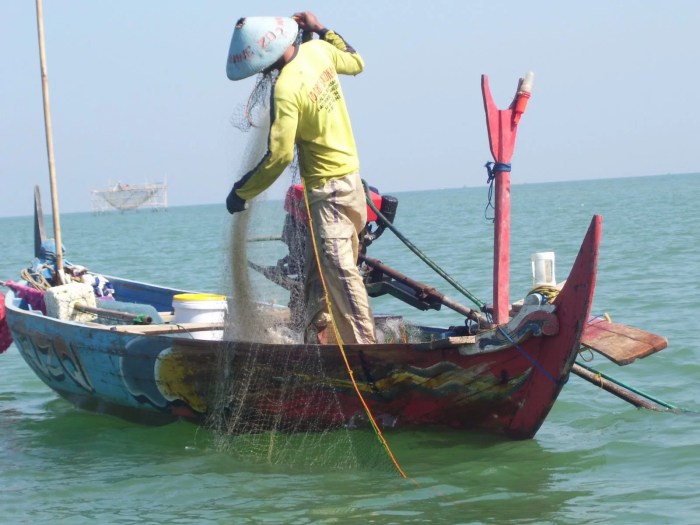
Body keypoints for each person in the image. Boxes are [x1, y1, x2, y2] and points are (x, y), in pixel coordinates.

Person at [225, 12, 376, 345]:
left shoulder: (285, 89)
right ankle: (317, 342)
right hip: (352, 186)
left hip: (329, 193)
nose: (263, 73)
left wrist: (242, 192)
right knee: (318, 275)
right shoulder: (318, 51)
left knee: (340, 275)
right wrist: (321, 29)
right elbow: (356, 61)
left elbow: (278, 157)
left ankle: (366, 354)